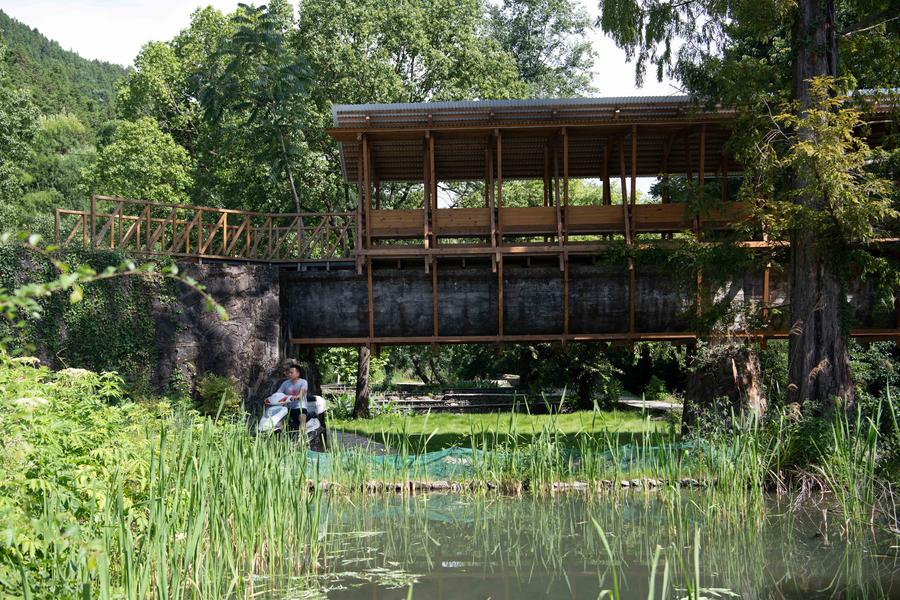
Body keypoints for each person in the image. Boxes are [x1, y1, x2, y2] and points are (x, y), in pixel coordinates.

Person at [276, 364, 309, 433]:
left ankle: (302, 436)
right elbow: (278, 393)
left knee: (302, 418)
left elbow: (302, 393)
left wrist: (297, 396)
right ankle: (281, 436)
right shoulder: (285, 383)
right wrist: (273, 398)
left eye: (291, 373)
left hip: (300, 407)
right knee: (279, 420)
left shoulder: (303, 382)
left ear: (298, 374)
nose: (289, 374)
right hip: (288, 408)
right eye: (289, 373)